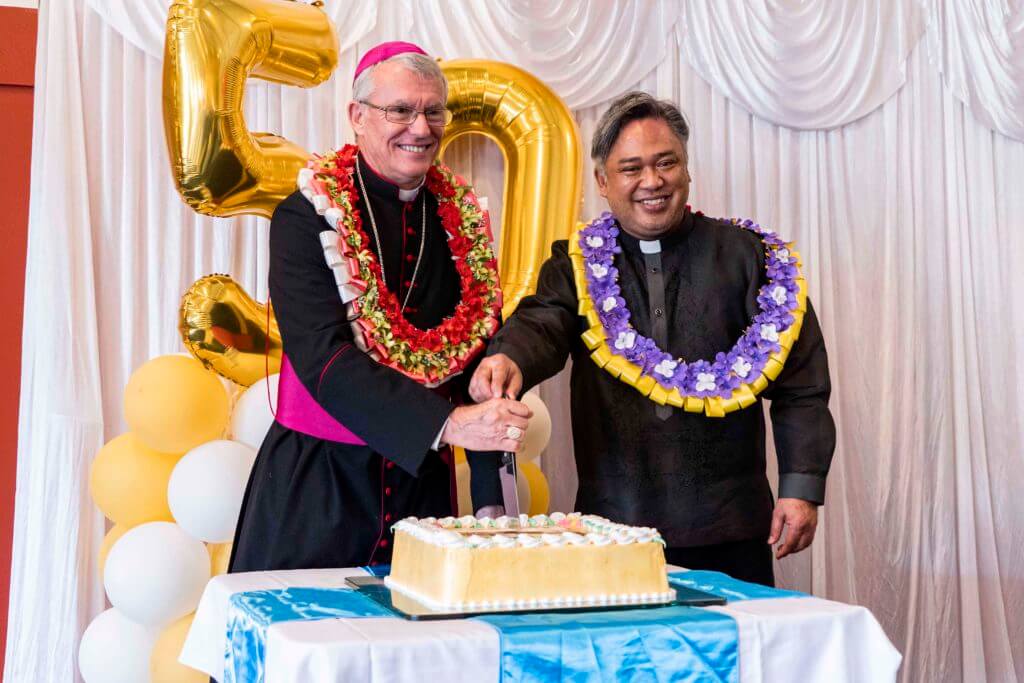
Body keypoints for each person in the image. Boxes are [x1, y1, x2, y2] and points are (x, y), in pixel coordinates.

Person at [471, 92, 836, 586]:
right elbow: (542, 320)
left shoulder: (752, 258)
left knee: (727, 661)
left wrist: (801, 488)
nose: (652, 181)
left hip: (731, 528)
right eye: (631, 168)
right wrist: (509, 355)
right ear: (602, 181)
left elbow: (802, 387)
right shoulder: (577, 264)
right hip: (612, 530)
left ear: (686, 169)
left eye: (666, 163)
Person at [229, 42, 527, 573]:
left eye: (433, 111)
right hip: (320, 486)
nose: (420, 127)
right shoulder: (305, 216)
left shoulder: (462, 220)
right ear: (357, 117)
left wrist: (489, 499)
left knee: (425, 648)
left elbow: (477, 366)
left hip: (423, 491)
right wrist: (450, 425)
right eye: (401, 110)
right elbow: (323, 357)